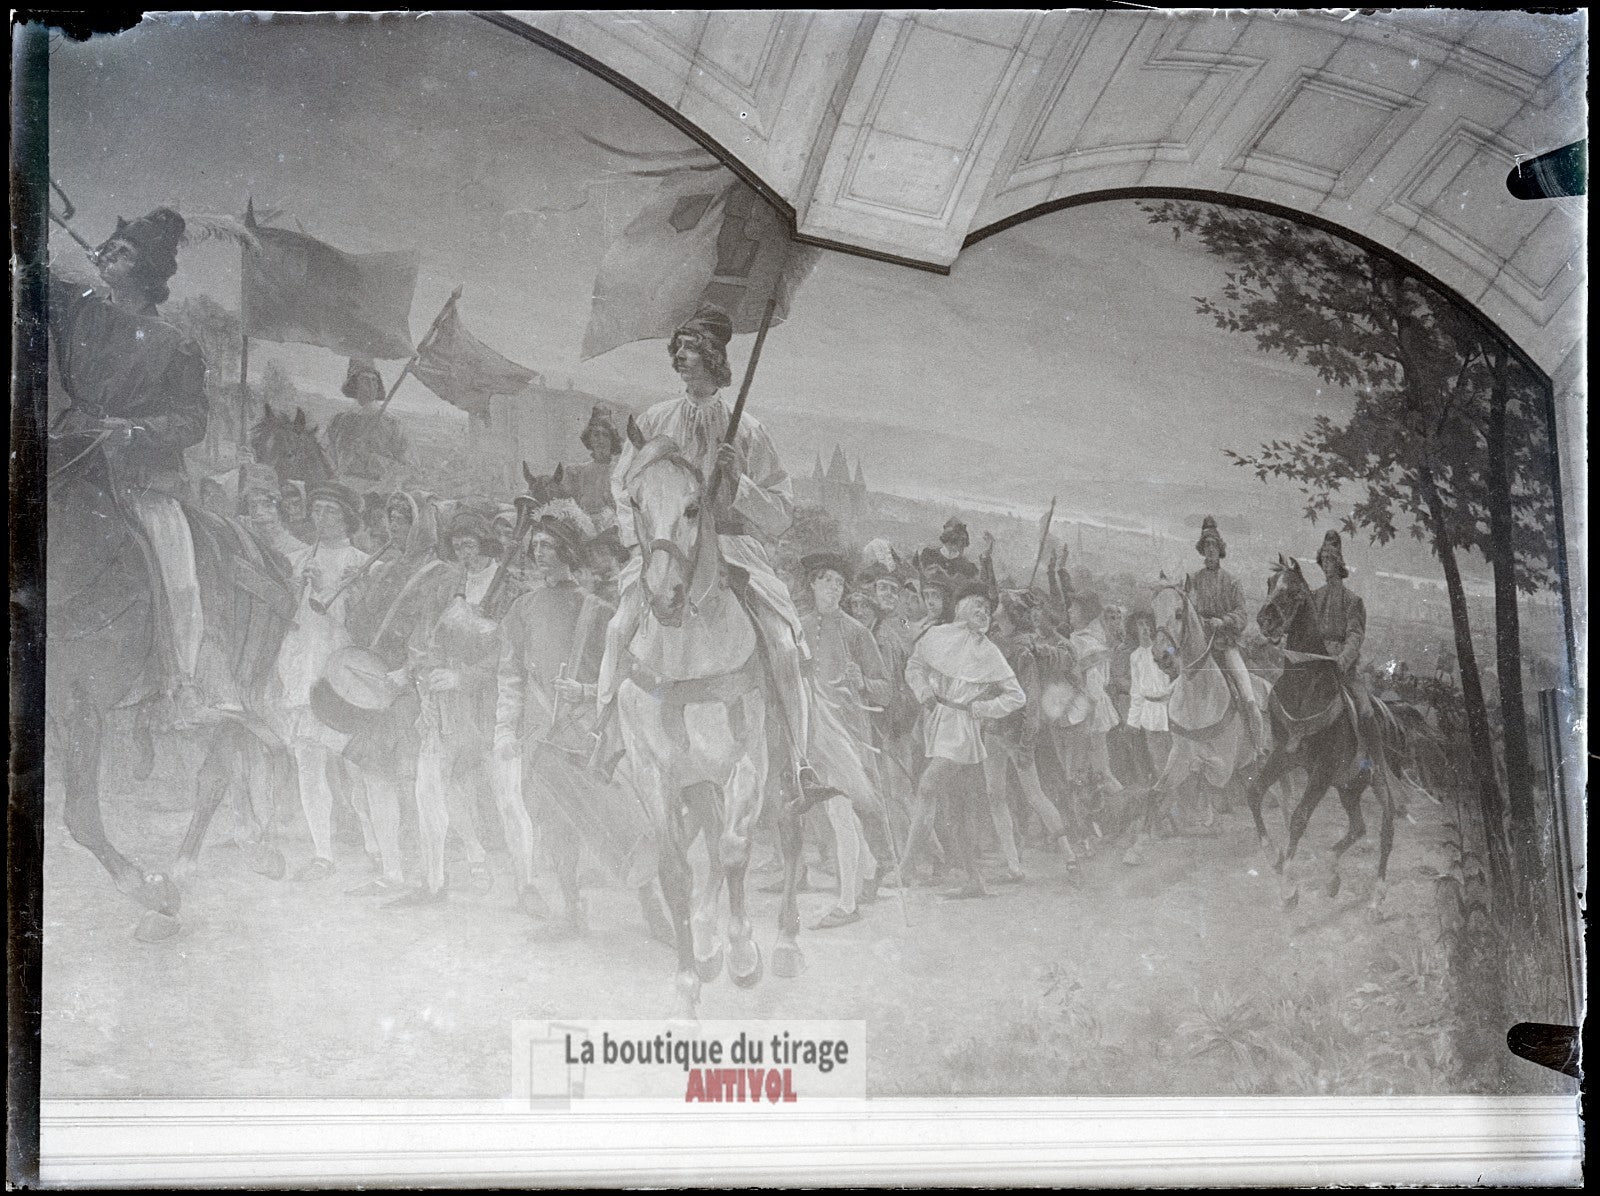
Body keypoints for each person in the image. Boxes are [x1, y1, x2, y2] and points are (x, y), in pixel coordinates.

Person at [598, 304, 840, 807]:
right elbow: (624, 486)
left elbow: (780, 511)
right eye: (678, 348)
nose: (681, 358)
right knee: (619, 626)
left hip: (732, 546)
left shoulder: (746, 429)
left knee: (785, 643)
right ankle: (601, 734)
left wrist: (740, 480)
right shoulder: (652, 420)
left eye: (691, 349)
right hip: (665, 546)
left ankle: (799, 763)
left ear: (713, 358)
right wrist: (638, 542)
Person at [48, 206, 216, 719]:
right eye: (110, 250)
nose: (111, 257)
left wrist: (137, 431)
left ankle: (180, 685)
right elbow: (33, 275)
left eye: (125, 254)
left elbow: (192, 420)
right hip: (66, 452)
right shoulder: (78, 307)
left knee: (179, 574)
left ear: (146, 272)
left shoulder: (175, 343)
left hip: (135, 474)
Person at [392, 511, 502, 905]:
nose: (463, 554)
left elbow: (509, 654)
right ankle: (436, 879)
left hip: (489, 701)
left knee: (491, 787)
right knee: (435, 784)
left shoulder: (507, 585)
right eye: (457, 547)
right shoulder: (446, 582)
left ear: (485, 543)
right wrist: (413, 668)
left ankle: (492, 863)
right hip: (440, 697)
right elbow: (426, 633)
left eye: (470, 545)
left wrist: (465, 678)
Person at [898, 582, 1026, 899]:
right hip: (935, 721)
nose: (982, 611)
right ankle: (974, 880)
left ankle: (904, 869)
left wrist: (982, 708)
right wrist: (923, 690)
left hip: (961, 730)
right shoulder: (938, 636)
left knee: (927, 787)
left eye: (986, 607)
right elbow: (914, 665)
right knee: (953, 807)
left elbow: (1016, 696)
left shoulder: (989, 652)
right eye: (976, 604)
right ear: (960, 609)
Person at [274, 482, 370, 881]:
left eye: (331, 511)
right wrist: (297, 586)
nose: (321, 518)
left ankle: (375, 846)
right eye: (317, 510)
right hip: (301, 665)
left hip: (341, 670)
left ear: (347, 517)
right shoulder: (298, 558)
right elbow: (285, 614)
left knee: (355, 765)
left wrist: (328, 589)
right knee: (307, 763)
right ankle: (322, 854)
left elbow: (359, 626)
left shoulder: (362, 561)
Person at [799, 552, 895, 928]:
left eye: (839, 583)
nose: (833, 589)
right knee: (835, 808)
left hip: (848, 731)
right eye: (826, 581)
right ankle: (869, 871)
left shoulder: (858, 632)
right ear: (812, 584)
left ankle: (847, 903)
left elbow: (885, 690)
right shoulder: (799, 627)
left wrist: (862, 683)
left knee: (840, 810)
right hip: (811, 730)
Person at [984, 589, 1081, 881]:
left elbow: (1032, 701)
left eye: (1000, 605)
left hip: (1015, 733)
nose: (995, 609)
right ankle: (1014, 866)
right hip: (994, 729)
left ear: (1011, 613)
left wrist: (1026, 743)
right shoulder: (999, 641)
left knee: (1035, 795)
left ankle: (1070, 858)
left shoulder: (1025, 650)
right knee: (995, 796)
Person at [1184, 515, 1264, 754]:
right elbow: (1187, 610)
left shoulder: (1232, 581)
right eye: (1206, 547)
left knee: (1247, 696)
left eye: (1214, 547)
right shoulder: (1194, 580)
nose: (1210, 551)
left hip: (1225, 645)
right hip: (1200, 647)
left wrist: (1223, 620)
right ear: (1202, 550)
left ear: (1220, 551)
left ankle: (1258, 746)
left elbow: (1242, 614)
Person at [1310, 530, 1372, 724]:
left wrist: (1342, 660)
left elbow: (1355, 637)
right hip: (1316, 662)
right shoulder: (1315, 596)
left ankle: (1373, 752)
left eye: (1330, 559)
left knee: (1365, 710)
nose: (1326, 563)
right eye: (1324, 559)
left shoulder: (1353, 601)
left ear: (1339, 563)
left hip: (1343, 668)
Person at [326, 358, 410, 482]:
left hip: (378, 489)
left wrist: (369, 457)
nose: (372, 386)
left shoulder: (392, 423)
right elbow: (329, 456)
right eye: (365, 381)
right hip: (342, 484)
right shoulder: (338, 421)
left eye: (375, 381)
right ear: (354, 384)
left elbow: (404, 466)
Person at [566, 406, 623, 525]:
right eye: (596, 435)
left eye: (606, 435)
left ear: (612, 440)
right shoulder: (576, 472)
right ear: (589, 439)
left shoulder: (621, 471)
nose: (600, 440)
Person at [916, 517, 980, 580]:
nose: (962, 546)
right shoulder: (929, 554)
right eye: (958, 540)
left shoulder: (967, 566)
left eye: (963, 541)